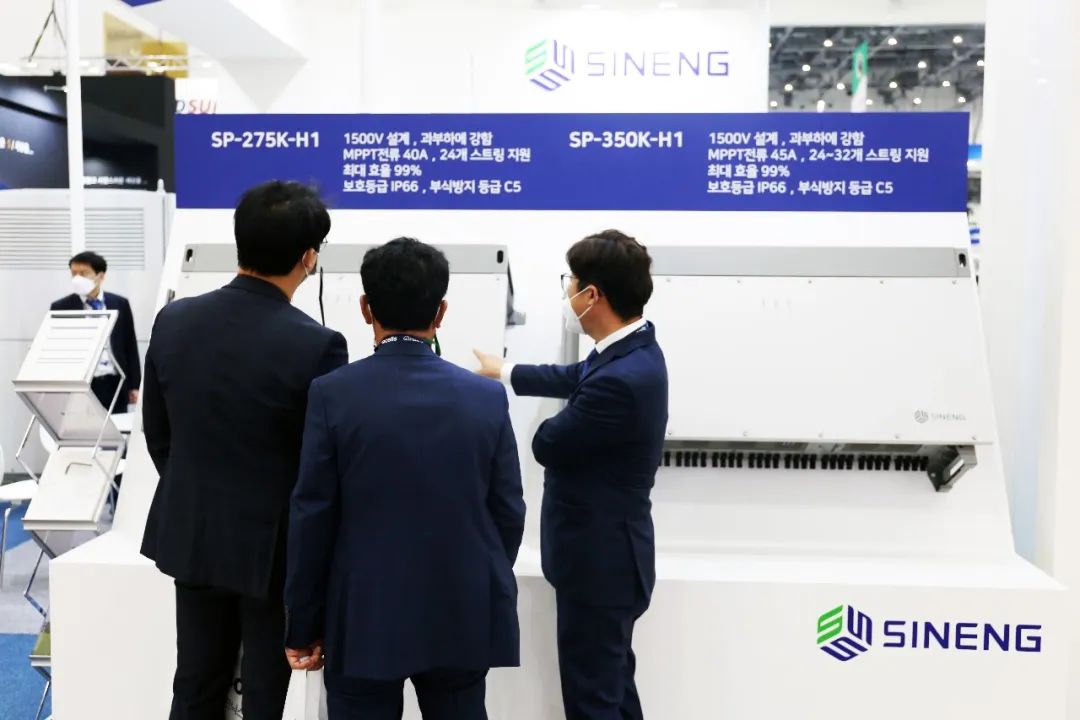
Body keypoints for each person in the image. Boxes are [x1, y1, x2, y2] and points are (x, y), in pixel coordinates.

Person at [285, 238, 525, 720]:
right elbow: (508, 511)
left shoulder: (332, 394)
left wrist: (304, 623)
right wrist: (477, 581)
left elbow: (313, 516)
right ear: (441, 312)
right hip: (460, 610)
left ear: (365, 308)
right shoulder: (485, 397)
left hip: (363, 615)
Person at [140, 181, 348, 720]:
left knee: (195, 684)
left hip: (193, 533)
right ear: (309, 258)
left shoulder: (174, 319)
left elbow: (158, 435)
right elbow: (320, 468)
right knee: (263, 696)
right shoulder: (318, 345)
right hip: (271, 552)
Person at [475, 230, 668, 720]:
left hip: (599, 564)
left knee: (592, 700)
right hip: (611, 557)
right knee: (613, 689)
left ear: (592, 295)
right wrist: (505, 370)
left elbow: (548, 443)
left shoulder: (621, 381)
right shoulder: (631, 349)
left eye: (571, 282)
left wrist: (510, 416)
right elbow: (575, 377)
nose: (567, 292)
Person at [51, 251, 141, 412]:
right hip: (82, 384)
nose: (77, 278)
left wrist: (134, 385)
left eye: (83, 273)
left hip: (115, 382)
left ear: (100, 276)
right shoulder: (61, 307)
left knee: (116, 425)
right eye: (74, 273)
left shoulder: (119, 303)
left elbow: (130, 344)